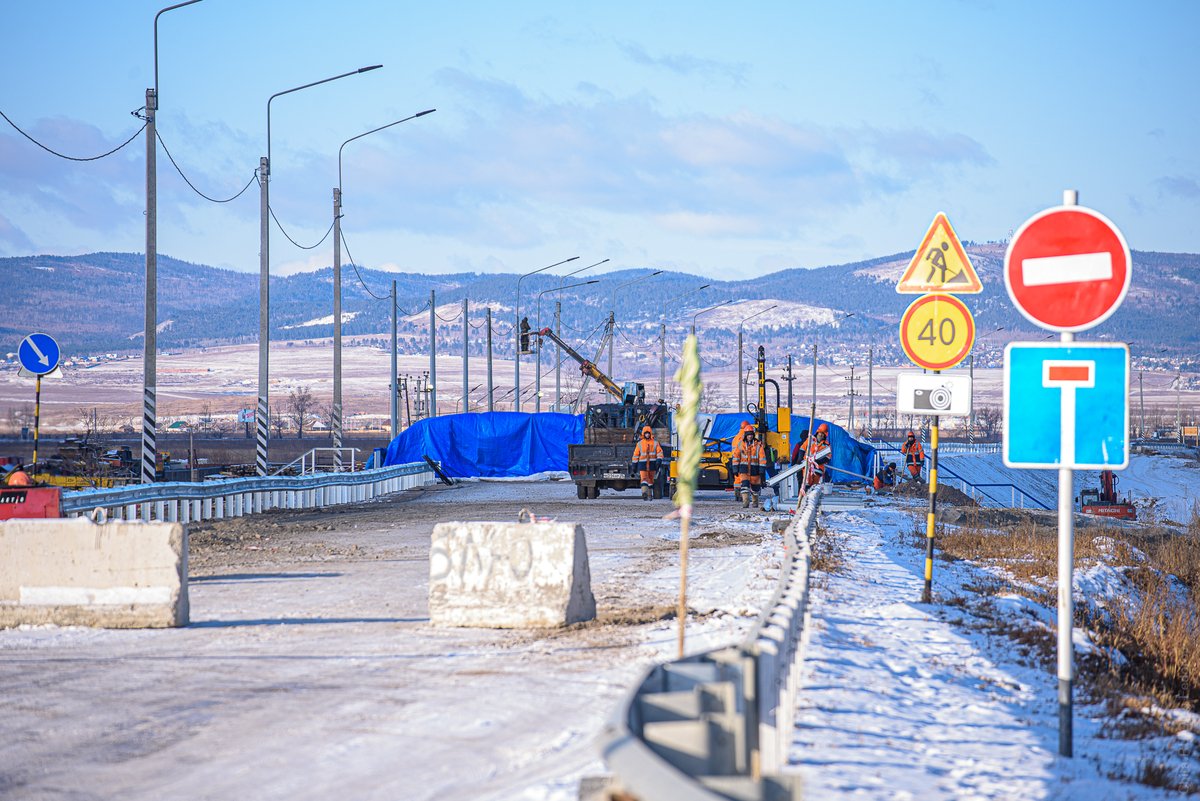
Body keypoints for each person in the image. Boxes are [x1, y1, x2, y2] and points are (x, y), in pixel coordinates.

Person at [732, 428, 766, 507]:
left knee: (755, 489)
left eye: (751, 435)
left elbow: (762, 458)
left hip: (755, 469)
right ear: (745, 435)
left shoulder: (758, 445)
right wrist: (735, 468)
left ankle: (755, 502)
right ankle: (745, 503)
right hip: (744, 469)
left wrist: (761, 470)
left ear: (753, 435)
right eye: (748, 435)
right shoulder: (741, 445)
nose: (749, 436)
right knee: (744, 486)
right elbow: (736, 457)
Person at [630, 425, 663, 501]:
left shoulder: (655, 443)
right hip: (643, 464)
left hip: (652, 464)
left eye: (648, 433)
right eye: (646, 433)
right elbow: (635, 455)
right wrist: (634, 465)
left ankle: (649, 495)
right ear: (643, 434)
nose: (647, 435)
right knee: (644, 479)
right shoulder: (640, 444)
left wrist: (659, 460)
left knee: (651, 480)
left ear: (650, 433)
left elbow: (660, 453)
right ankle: (644, 492)